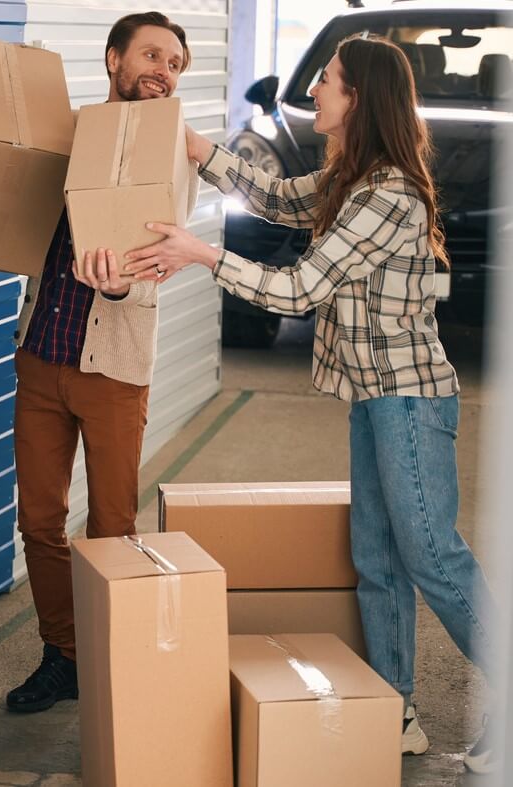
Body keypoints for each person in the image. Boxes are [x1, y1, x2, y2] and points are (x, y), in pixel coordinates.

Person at [119, 35, 499, 774]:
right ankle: (395, 712)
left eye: (327, 81)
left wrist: (200, 255)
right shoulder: (348, 178)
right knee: (377, 561)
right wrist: (193, 145)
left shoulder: (386, 193)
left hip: (410, 399)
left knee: (431, 557)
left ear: (358, 98)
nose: (316, 91)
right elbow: (274, 198)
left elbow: (298, 292)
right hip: (371, 397)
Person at [6, 12, 193, 713]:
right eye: (150, 54)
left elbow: (161, 256)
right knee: (39, 520)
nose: (163, 70)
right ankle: (64, 655)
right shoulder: (69, 136)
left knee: (112, 526)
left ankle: (113, 659)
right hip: (41, 355)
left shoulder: (176, 152)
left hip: (113, 368)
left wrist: (121, 281)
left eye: (175, 63)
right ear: (114, 59)